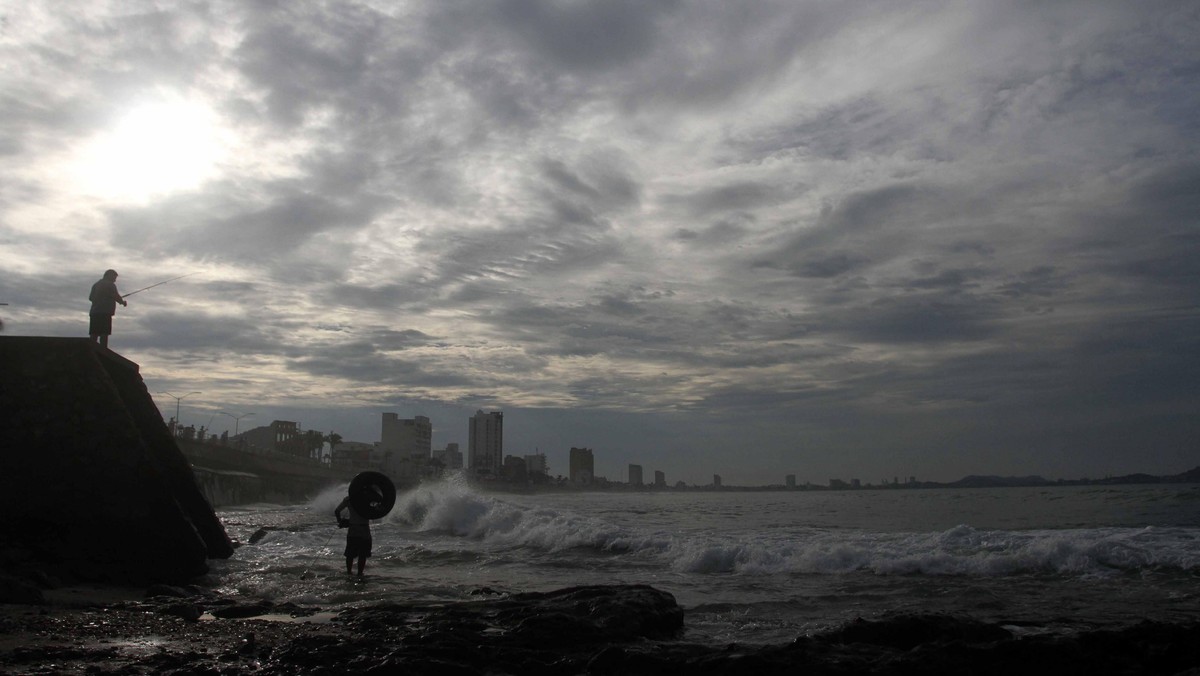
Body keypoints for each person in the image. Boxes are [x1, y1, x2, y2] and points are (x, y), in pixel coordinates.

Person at [334, 493, 372, 576]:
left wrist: (340, 521)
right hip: (364, 530)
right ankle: (360, 574)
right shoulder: (368, 499)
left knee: (350, 554)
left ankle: (349, 573)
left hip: (353, 529)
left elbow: (337, 511)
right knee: (363, 555)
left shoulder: (348, 499)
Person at [88, 269, 126, 348]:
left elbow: (90, 298)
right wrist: (122, 302)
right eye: (114, 277)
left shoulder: (96, 284)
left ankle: (91, 349)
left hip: (94, 312)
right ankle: (103, 350)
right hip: (105, 313)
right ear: (109, 275)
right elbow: (116, 296)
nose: (115, 280)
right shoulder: (110, 285)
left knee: (94, 333)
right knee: (104, 333)